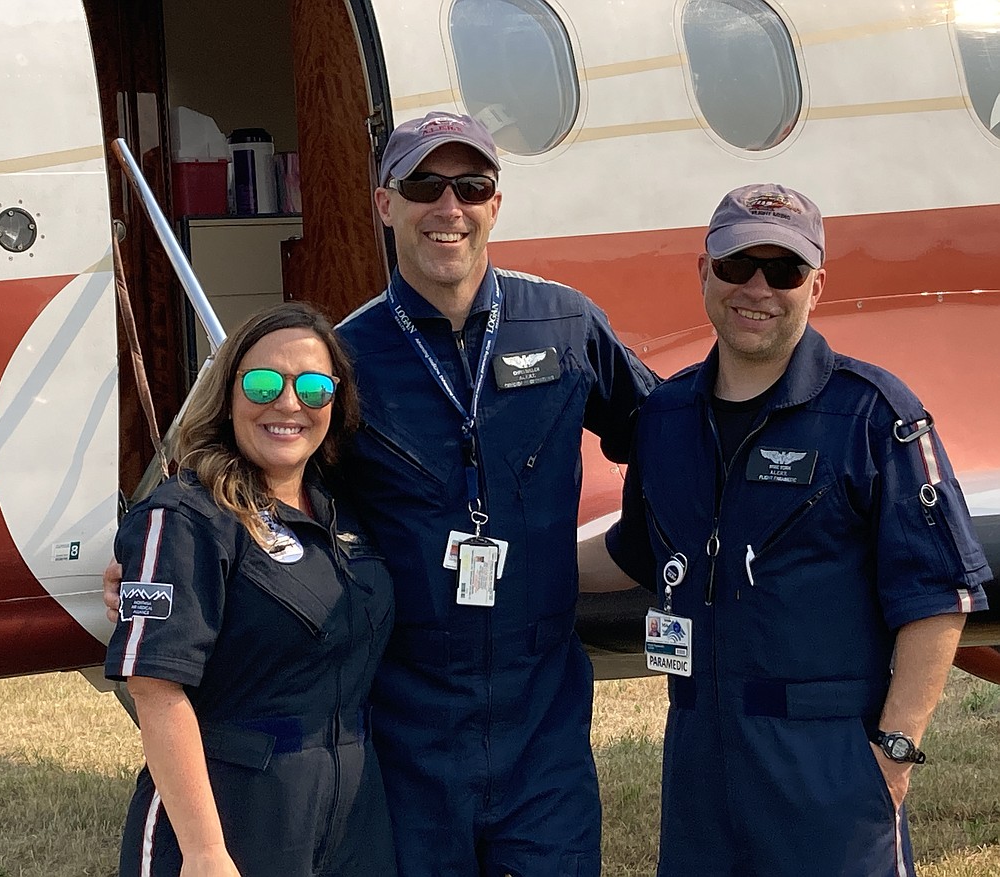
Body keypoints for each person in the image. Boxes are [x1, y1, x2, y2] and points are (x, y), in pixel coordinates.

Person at [600, 183, 992, 876]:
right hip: (699, 757)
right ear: (704, 273)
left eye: (782, 270)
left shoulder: (874, 416)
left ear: (816, 284)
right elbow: (635, 552)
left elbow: (936, 596)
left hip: (827, 763)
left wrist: (894, 752)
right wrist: (508, 563)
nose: (757, 287)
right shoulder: (663, 418)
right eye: (736, 265)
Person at [334, 112, 656, 875]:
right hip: (408, 718)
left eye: (472, 185)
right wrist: (165, 561)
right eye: (424, 185)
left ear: (495, 205)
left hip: (541, 715)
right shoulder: (345, 357)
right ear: (387, 204)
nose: (450, 207)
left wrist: (642, 544)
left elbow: (669, 435)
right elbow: (259, 478)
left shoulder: (566, 324)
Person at [105, 302, 396, 877]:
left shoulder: (345, 509)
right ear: (228, 393)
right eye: (263, 382)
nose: (288, 404)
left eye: (313, 388)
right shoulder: (186, 518)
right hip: (232, 812)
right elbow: (156, 693)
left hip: (354, 813)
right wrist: (205, 853)